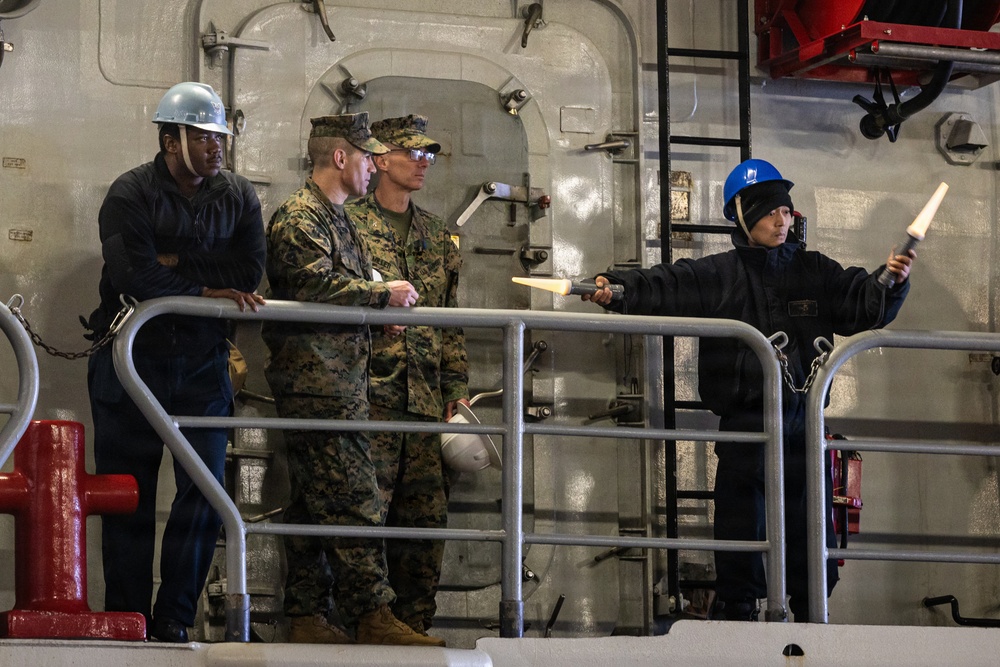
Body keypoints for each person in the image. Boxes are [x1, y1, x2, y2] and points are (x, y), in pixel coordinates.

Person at [583, 158, 915, 622]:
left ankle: (810, 617)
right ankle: (739, 612)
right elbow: (667, 285)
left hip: (804, 426)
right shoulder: (718, 276)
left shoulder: (817, 271)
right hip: (746, 429)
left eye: (786, 213)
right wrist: (615, 288)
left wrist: (890, 282)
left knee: (809, 532)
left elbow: (862, 304)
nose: (782, 221)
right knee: (742, 530)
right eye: (771, 213)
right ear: (744, 216)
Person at [85, 81, 266, 643]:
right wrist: (206, 281)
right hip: (131, 364)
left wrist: (182, 265)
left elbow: (249, 273)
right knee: (127, 498)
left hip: (202, 365)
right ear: (171, 139)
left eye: (220, 136)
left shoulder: (238, 196)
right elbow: (133, 276)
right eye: (204, 135)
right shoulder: (129, 194)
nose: (217, 147)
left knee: (205, 496)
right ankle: (129, 620)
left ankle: (174, 620)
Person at [262, 112, 444, 647]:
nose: (372, 166)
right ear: (340, 158)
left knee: (316, 500)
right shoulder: (301, 217)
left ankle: (306, 614)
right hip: (316, 379)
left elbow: (351, 282)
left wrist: (373, 305)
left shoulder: (337, 217)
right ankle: (372, 615)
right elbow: (312, 282)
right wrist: (378, 297)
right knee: (353, 498)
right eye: (366, 156)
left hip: (342, 379)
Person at [346, 114, 469, 636]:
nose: (422, 163)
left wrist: (456, 391)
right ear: (379, 159)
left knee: (423, 524)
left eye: (428, 154)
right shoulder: (347, 224)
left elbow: (451, 321)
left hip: (424, 400)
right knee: (361, 520)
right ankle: (362, 626)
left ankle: (415, 629)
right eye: (412, 153)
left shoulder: (439, 236)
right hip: (367, 396)